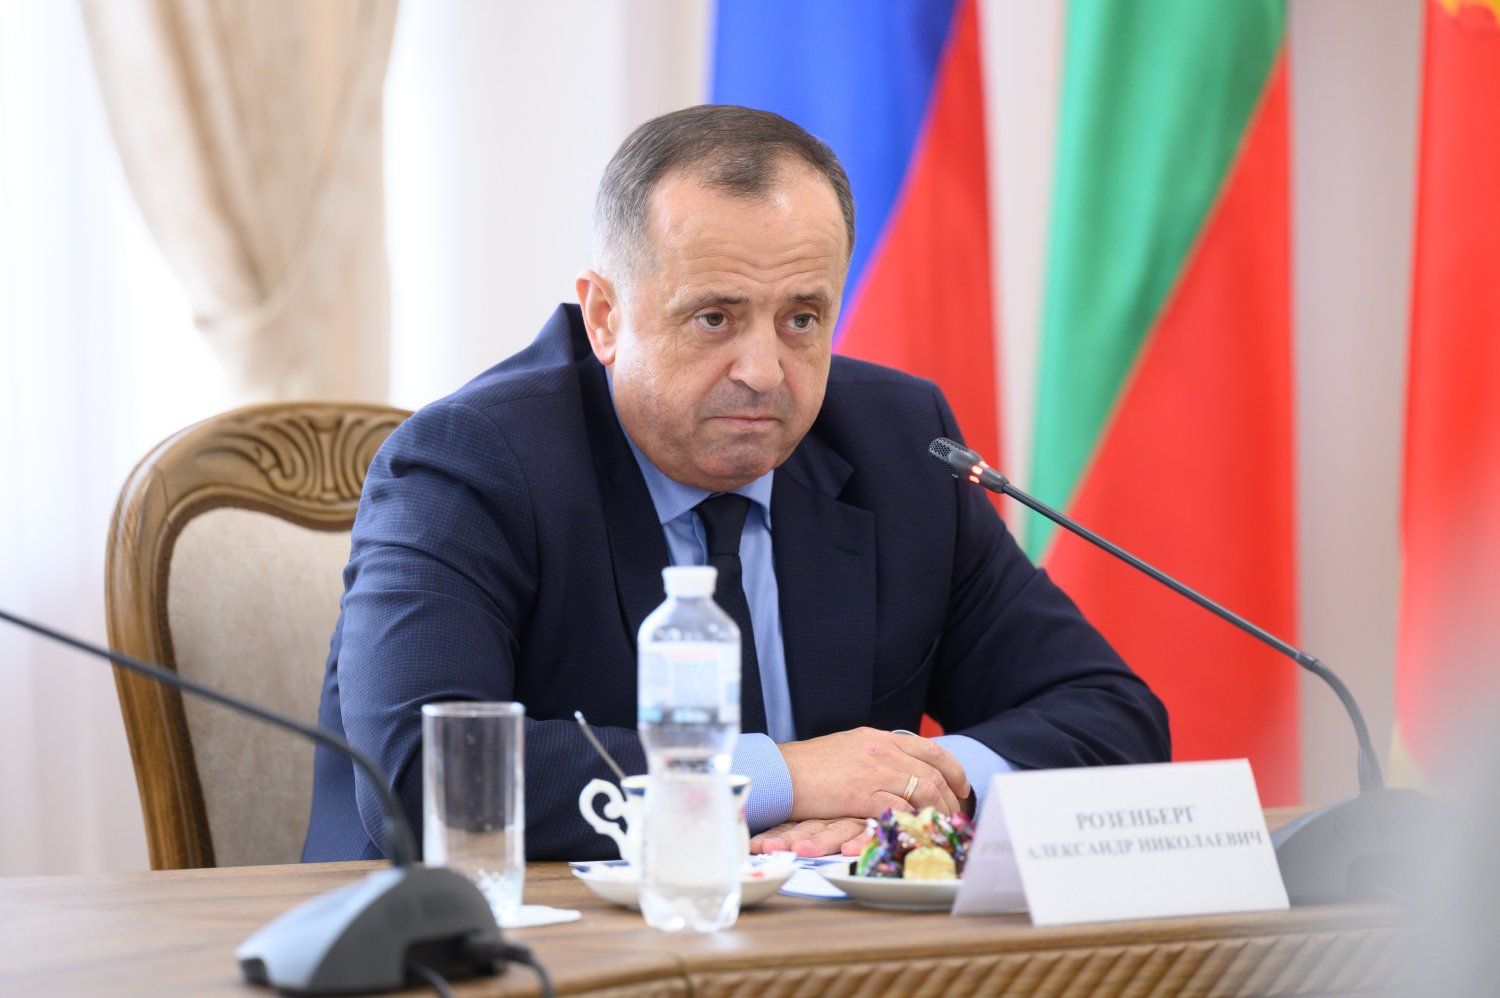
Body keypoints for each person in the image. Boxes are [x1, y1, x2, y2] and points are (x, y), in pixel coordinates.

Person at [302, 105, 1169, 863]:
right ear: (605, 316)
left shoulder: (898, 446)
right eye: (715, 317)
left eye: (802, 318)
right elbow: (423, 774)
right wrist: (780, 779)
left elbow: (1113, 717)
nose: (763, 370)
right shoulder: (472, 461)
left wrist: (911, 789)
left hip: (826, 957)